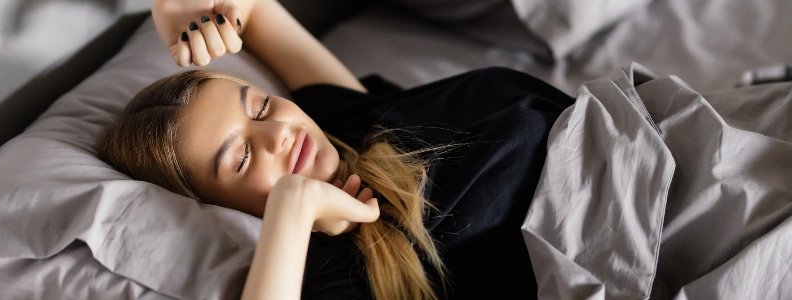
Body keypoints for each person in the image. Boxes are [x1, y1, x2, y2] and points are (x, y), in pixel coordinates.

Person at [97, 0, 575, 299]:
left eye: (261, 107)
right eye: (241, 159)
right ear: (220, 210)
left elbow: (255, 9)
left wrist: (176, 7)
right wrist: (294, 206)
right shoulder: (340, 273)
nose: (277, 134)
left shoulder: (347, 122)